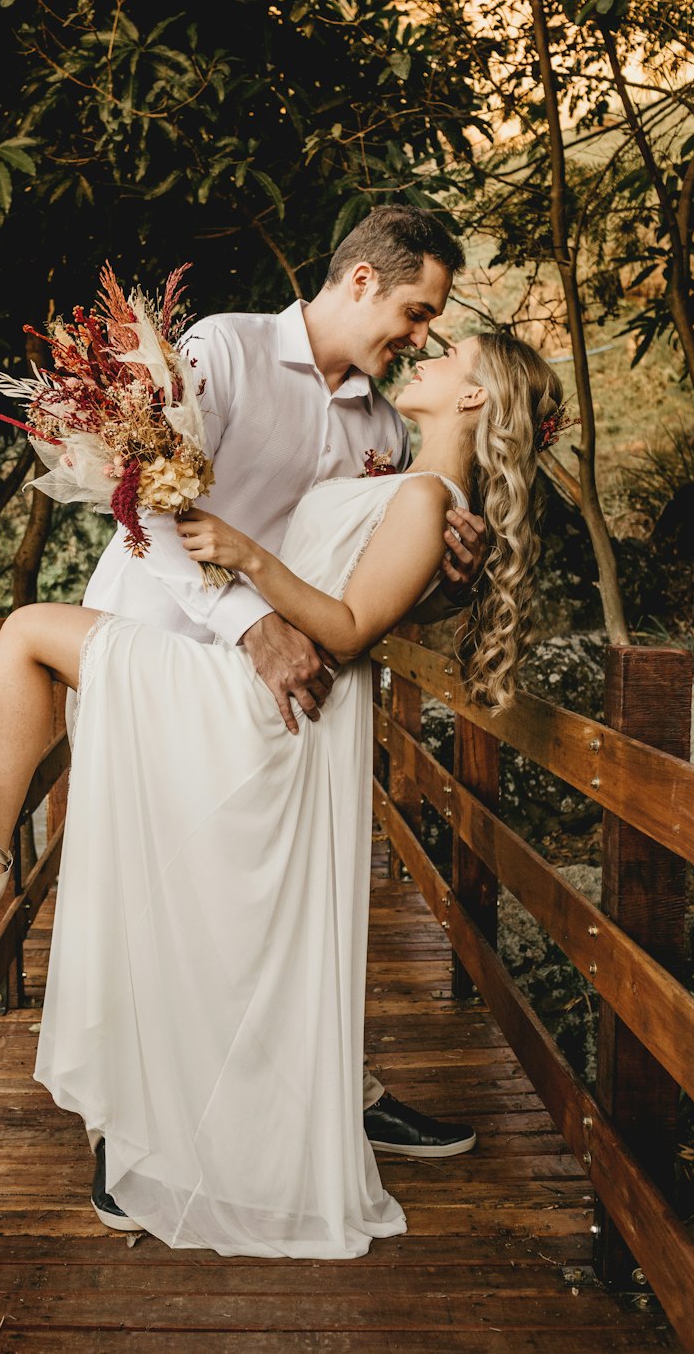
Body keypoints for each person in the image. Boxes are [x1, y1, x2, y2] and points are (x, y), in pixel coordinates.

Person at [0, 323, 563, 1259]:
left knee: (27, 634)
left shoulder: (424, 497)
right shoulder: (411, 486)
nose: (431, 350)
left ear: (473, 399)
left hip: (258, 705)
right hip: (253, 691)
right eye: (428, 328)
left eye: (452, 354)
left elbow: (344, 625)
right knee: (41, 650)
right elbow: (371, 577)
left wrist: (247, 556)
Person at [65, 208, 485, 1166]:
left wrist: (442, 578)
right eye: (417, 313)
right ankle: (123, 1136)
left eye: (432, 327)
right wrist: (246, 624)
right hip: (160, 644)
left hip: (273, 693)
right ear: (364, 282)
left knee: (263, 899)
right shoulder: (228, 350)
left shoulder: (383, 425)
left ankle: (337, 1092)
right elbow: (151, 505)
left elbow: (358, 590)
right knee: (152, 894)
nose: (422, 338)